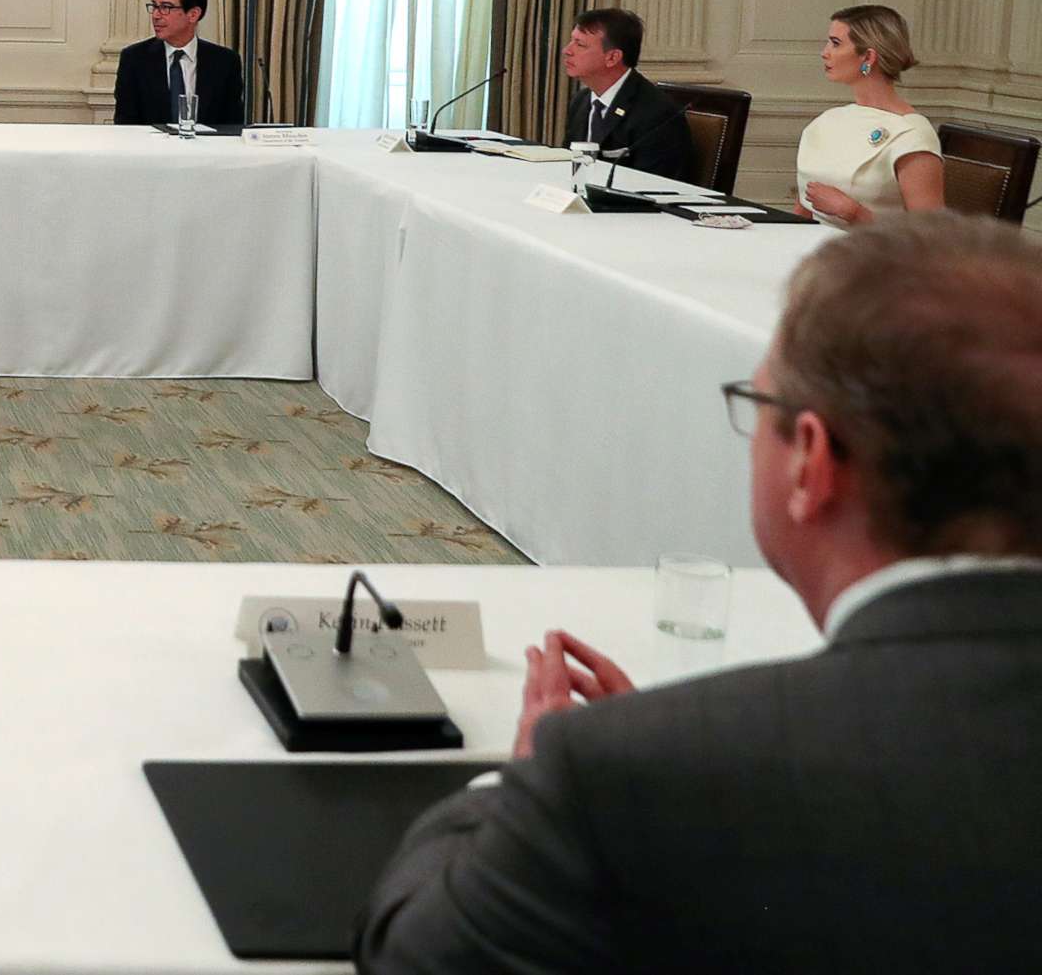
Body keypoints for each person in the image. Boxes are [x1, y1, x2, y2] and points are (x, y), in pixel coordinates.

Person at [359, 214, 1042, 974]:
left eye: (758, 404)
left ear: (809, 462)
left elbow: (410, 954)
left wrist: (519, 781)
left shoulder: (621, 774)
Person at [794, 4, 944, 228]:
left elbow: (932, 237)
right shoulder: (829, 120)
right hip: (818, 252)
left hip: (875, 259)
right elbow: (805, 206)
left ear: (868, 57)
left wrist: (853, 213)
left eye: (836, 43)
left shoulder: (912, 135)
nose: (824, 52)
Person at [557, 7, 693, 181]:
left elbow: (653, 186)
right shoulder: (581, 101)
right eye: (571, 41)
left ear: (613, 58)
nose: (567, 51)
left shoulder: (656, 113)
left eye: (580, 45)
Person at [112, 0, 245, 128]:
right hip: (151, 149)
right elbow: (126, 124)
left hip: (208, 150)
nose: (156, 15)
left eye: (165, 8)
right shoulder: (134, 58)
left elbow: (232, 125)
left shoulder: (225, 61)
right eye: (154, 6)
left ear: (193, 14)